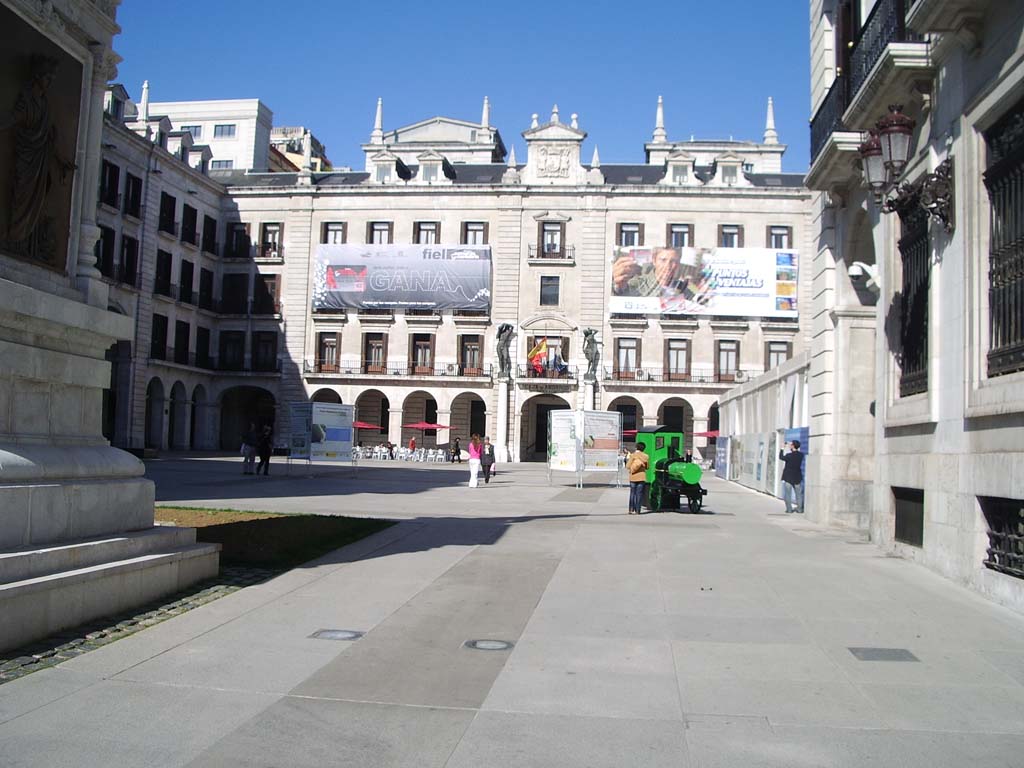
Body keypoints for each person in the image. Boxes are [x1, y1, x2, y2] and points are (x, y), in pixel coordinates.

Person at [779, 440, 804, 513]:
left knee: (788, 494)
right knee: (798, 494)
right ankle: (799, 509)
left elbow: (781, 457)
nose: (790, 446)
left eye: (791, 445)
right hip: (797, 477)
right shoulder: (801, 455)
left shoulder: (789, 455)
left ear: (793, 446)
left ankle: (789, 509)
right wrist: (794, 446)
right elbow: (796, 452)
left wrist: (782, 448)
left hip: (788, 477)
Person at [626, 441, 650, 515]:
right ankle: (638, 510)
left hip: (633, 477)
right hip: (641, 477)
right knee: (639, 494)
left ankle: (631, 509)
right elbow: (647, 467)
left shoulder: (633, 455)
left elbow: (627, 466)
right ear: (644, 448)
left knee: (632, 493)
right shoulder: (646, 456)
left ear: (637, 447)